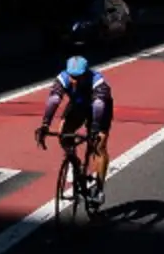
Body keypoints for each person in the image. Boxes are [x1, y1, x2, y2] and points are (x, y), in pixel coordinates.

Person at [34, 55, 113, 205]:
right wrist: (45, 124)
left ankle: (99, 189)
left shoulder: (98, 82)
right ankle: (73, 162)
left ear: (86, 73)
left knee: (99, 145)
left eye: (79, 77)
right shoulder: (63, 78)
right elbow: (54, 99)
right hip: (79, 105)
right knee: (64, 132)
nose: (74, 80)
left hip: (101, 108)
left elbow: (99, 105)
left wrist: (95, 128)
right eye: (72, 76)